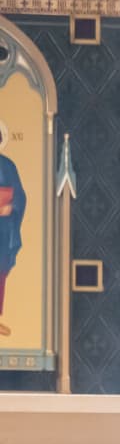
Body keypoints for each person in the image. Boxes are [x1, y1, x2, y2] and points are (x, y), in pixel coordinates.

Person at [0, 135, 24, 338]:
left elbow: (20, 196)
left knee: (0, 271)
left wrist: (12, 207)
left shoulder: (8, 165)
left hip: (3, 228)